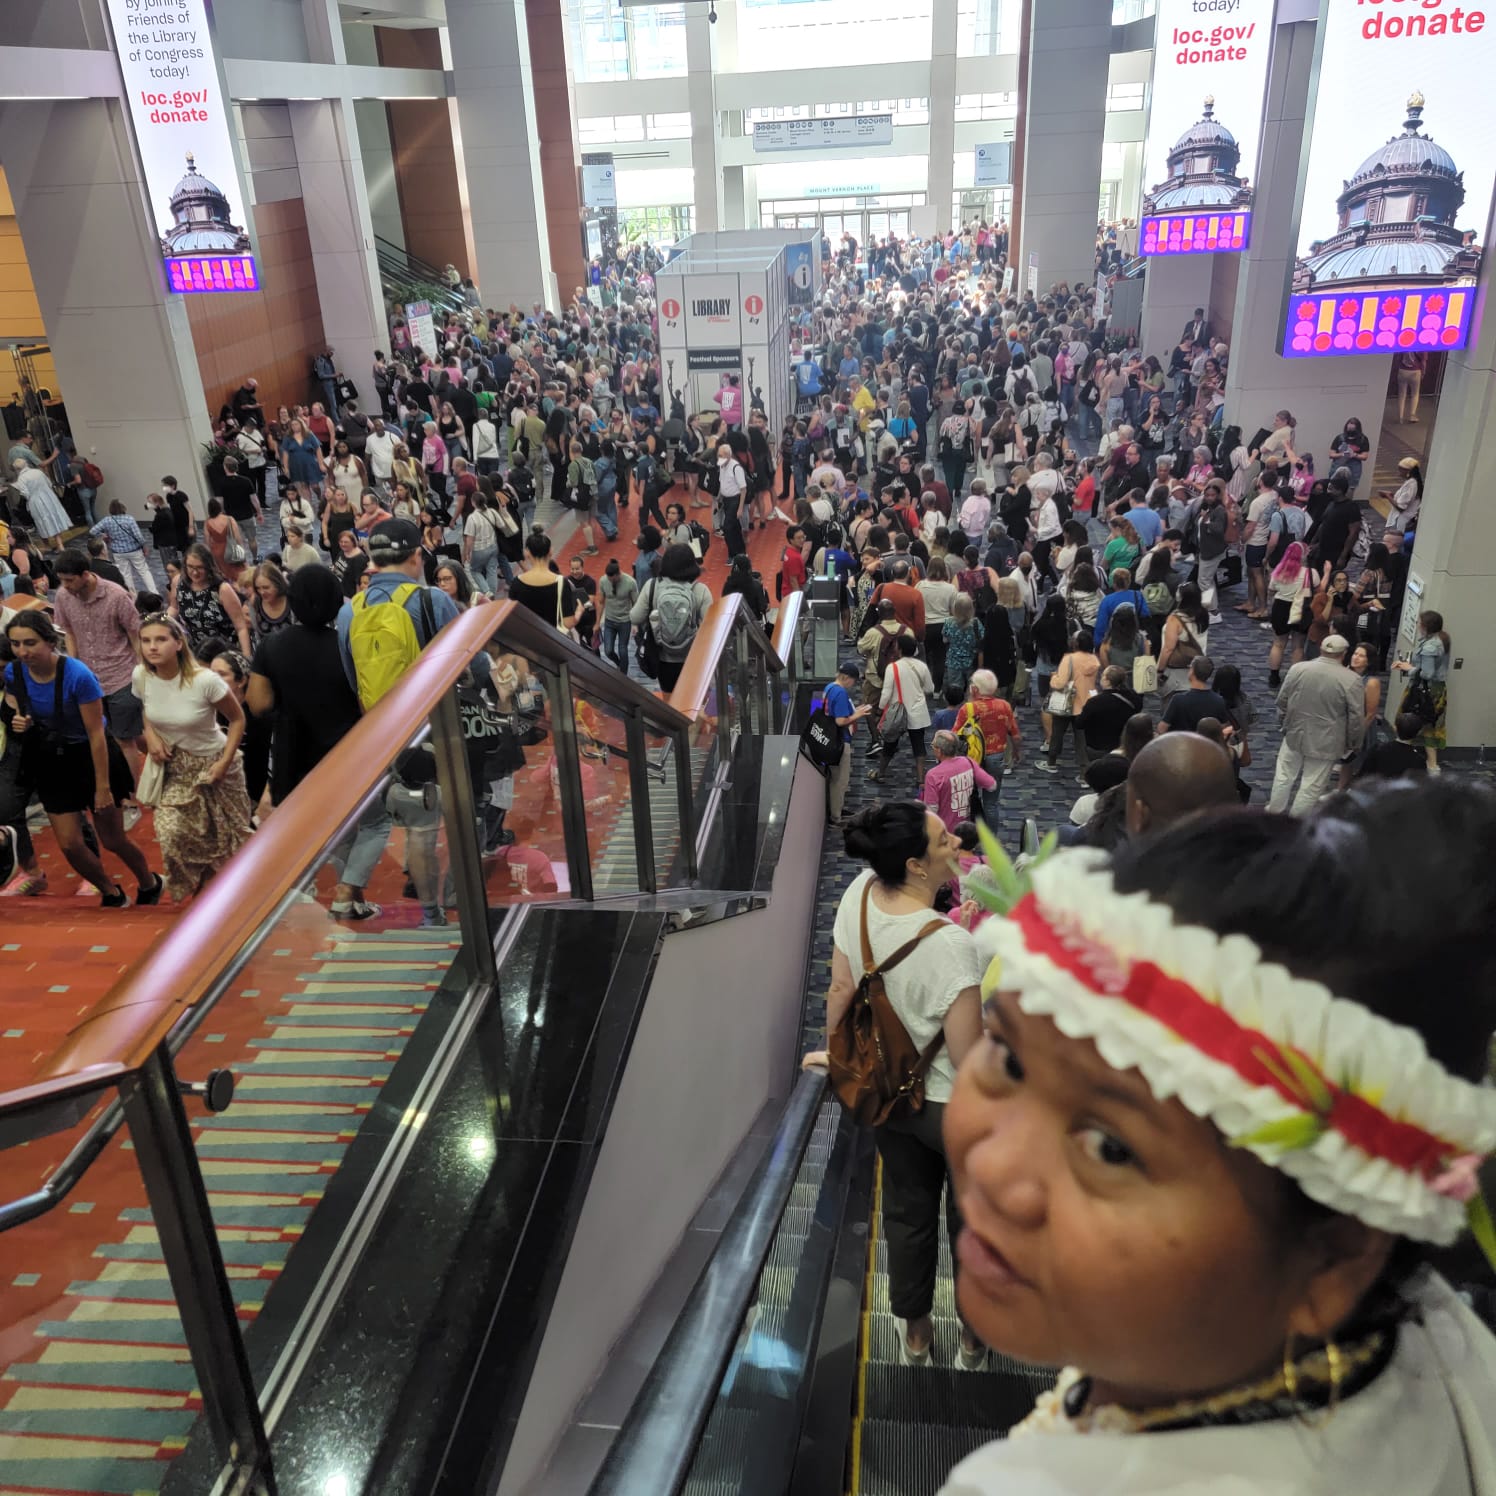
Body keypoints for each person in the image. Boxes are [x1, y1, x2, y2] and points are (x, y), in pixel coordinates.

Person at [810, 801, 985, 1368]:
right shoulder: (951, 944)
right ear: (915, 865)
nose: (956, 843)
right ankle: (972, 1339)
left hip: (887, 1096)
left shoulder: (858, 895)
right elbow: (968, 1058)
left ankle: (914, 1335)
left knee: (908, 1215)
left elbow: (839, 990)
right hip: (950, 1111)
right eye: (943, 841)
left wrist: (839, 1059)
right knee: (972, 1223)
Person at [2, 611, 159, 906]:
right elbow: (15, 708)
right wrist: (20, 720)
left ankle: (149, 882)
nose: (22, 651)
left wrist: (103, 787)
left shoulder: (78, 675)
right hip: (51, 760)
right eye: (16, 644)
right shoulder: (14, 673)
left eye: (30, 643)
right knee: (70, 845)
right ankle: (110, 891)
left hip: (91, 757)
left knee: (113, 840)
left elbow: (97, 734)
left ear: (50, 642)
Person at [133, 614, 253, 900]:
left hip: (215, 764)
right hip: (175, 767)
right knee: (171, 834)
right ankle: (205, 889)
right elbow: (147, 709)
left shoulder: (204, 680)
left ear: (178, 643)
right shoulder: (141, 676)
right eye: (146, 640)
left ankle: (215, 896)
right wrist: (150, 735)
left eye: (161, 639)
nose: (152, 647)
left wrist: (224, 763)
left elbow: (237, 719)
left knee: (226, 843)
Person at [247, 565, 363, 809]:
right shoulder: (348, 646)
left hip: (292, 754)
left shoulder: (271, 645)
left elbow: (258, 704)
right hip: (345, 751)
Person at [51, 551, 145, 773]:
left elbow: (135, 634)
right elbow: (69, 632)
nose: (64, 585)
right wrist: (72, 666)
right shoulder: (63, 596)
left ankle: (132, 797)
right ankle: (164, 762)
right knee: (119, 735)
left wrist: (143, 670)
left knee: (123, 740)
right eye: (61, 580)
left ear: (85, 575)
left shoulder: (116, 595)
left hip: (122, 675)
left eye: (69, 580)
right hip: (88, 679)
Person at [1268, 633, 1364, 814]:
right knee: (1311, 785)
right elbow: (1356, 718)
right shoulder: (1352, 680)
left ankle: (1273, 814)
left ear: (1321, 649)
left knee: (1283, 776)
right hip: (1327, 741)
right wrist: (1353, 743)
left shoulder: (1298, 669)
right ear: (1344, 654)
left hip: (1294, 732)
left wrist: (1285, 723)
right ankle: (1295, 824)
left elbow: (1282, 700)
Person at [630, 543, 714, 694]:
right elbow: (712, 627)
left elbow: (635, 616)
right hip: (692, 658)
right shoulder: (700, 590)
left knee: (669, 698)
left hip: (663, 658)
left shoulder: (652, 586)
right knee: (692, 700)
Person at [870, 634, 936, 783]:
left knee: (889, 745)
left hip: (897, 711)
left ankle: (881, 773)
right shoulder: (921, 666)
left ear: (899, 649)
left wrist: (880, 711)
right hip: (918, 711)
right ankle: (920, 779)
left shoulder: (893, 667)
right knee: (919, 745)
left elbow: (886, 693)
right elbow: (930, 688)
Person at [1391, 609, 1451, 773]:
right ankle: (1433, 767)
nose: (1417, 624)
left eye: (1419, 622)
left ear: (1426, 626)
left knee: (1407, 722)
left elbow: (1427, 673)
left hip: (1422, 692)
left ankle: (1401, 758)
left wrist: (1408, 668)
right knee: (1430, 729)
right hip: (1437, 693)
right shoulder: (1441, 639)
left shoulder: (1430, 647)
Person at [171, 542, 251, 657]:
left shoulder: (222, 589)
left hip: (224, 653)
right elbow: (174, 608)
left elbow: (241, 627)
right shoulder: (178, 583)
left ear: (208, 567)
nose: (194, 572)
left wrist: (246, 658)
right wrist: (161, 619)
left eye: (199, 567)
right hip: (197, 651)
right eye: (190, 567)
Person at [1039, 630, 1100, 773]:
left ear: (1076, 643)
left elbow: (1060, 683)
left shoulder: (1069, 659)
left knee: (1057, 733)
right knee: (1081, 739)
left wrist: (1053, 677)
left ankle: (1051, 763)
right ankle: (1084, 772)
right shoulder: (1094, 660)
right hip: (1086, 703)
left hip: (1066, 703)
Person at [822, 658, 873, 824]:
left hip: (828, 739)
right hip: (839, 740)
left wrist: (855, 710)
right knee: (840, 780)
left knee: (835, 778)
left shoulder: (830, 687)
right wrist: (858, 715)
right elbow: (840, 721)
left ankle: (837, 808)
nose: (853, 684)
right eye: (853, 681)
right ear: (847, 678)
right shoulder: (841, 693)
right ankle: (836, 816)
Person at [924, 729, 996, 832]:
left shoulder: (933, 775)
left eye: (933, 746)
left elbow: (932, 810)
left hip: (946, 832)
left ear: (939, 751)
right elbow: (991, 785)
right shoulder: (968, 762)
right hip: (968, 829)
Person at [1266, 543, 1315, 688]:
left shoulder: (1279, 571)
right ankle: (1295, 679)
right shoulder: (1309, 573)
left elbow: (1271, 590)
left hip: (1280, 607)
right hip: (1301, 610)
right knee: (1298, 646)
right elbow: (1318, 590)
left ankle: (1274, 677)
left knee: (1278, 644)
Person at [89, 500, 155, 594]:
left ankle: (132, 596)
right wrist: (144, 545)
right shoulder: (129, 519)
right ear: (123, 508)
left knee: (126, 575)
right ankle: (154, 593)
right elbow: (138, 536)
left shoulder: (107, 520)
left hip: (118, 552)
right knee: (144, 571)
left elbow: (92, 531)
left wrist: (103, 535)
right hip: (134, 550)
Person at [1160, 654, 1229, 734]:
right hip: (1206, 745)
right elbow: (1224, 729)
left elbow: (1161, 729)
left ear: (1192, 671)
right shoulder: (1219, 701)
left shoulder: (1178, 700)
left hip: (1182, 744)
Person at [1358, 710, 1430, 781]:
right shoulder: (1419, 760)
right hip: (1403, 792)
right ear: (1418, 733)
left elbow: (1363, 775)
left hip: (1377, 790)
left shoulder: (1378, 750)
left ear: (1395, 728)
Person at [598, 557, 637, 676]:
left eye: (613, 579)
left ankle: (623, 675)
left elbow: (636, 603)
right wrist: (597, 622)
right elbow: (601, 601)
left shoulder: (630, 582)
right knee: (608, 650)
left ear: (618, 574)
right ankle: (619, 664)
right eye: (609, 579)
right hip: (609, 621)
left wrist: (635, 624)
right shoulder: (603, 581)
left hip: (625, 621)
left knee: (623, 650)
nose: (611, 582)